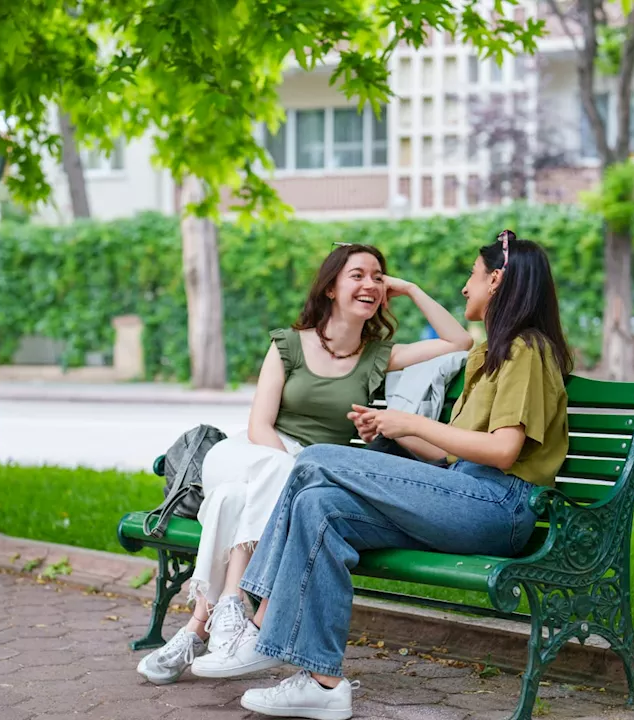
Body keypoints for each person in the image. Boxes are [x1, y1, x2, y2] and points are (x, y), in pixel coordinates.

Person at [208, 230, 574, 720]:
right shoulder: (489, 354)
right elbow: (447, 459)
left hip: (499, 507)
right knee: (318, 507)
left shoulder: (526, 350)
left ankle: (259, 623)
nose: (466, 287)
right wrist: (391, 430)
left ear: (497, 278)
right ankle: (323, 681)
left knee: (316, 458)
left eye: (471, 274)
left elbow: (504, 452)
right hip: (463, 496)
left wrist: (410, 421)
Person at [137, 243, 474, 685]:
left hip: (296, 472)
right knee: (268, 476)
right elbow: (259, 423)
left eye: (378, 276)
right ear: (331, 287)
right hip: (251, 452)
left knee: (232, 500)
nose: (370, 284)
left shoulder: (377, 356)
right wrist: (292, 469)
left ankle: (196, 626)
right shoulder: (288, 343)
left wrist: (409, 288)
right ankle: (235, 605)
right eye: (357, 275)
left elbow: (460, 340)